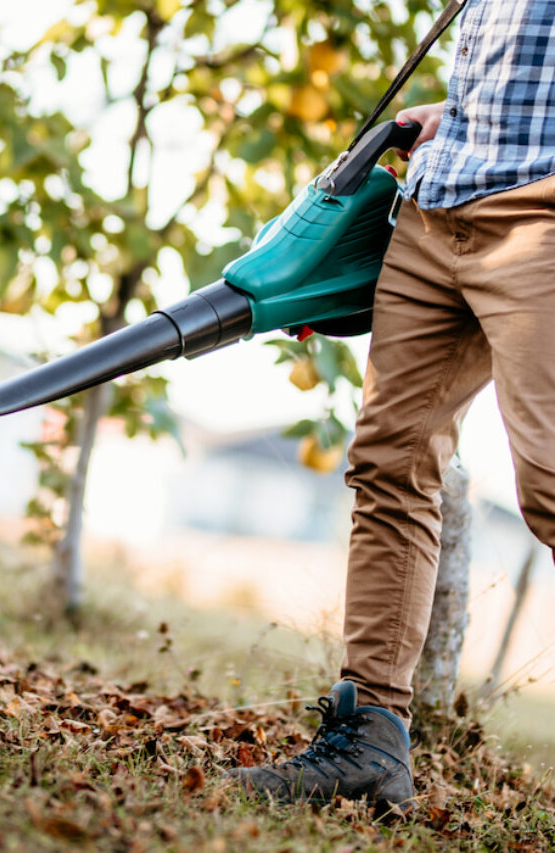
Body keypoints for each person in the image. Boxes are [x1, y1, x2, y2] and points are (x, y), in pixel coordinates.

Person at [228, 0, 555, 809]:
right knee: (391, 464)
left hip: (539, 219)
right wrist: (462, 117)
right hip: (432, 211)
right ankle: (370, 738)